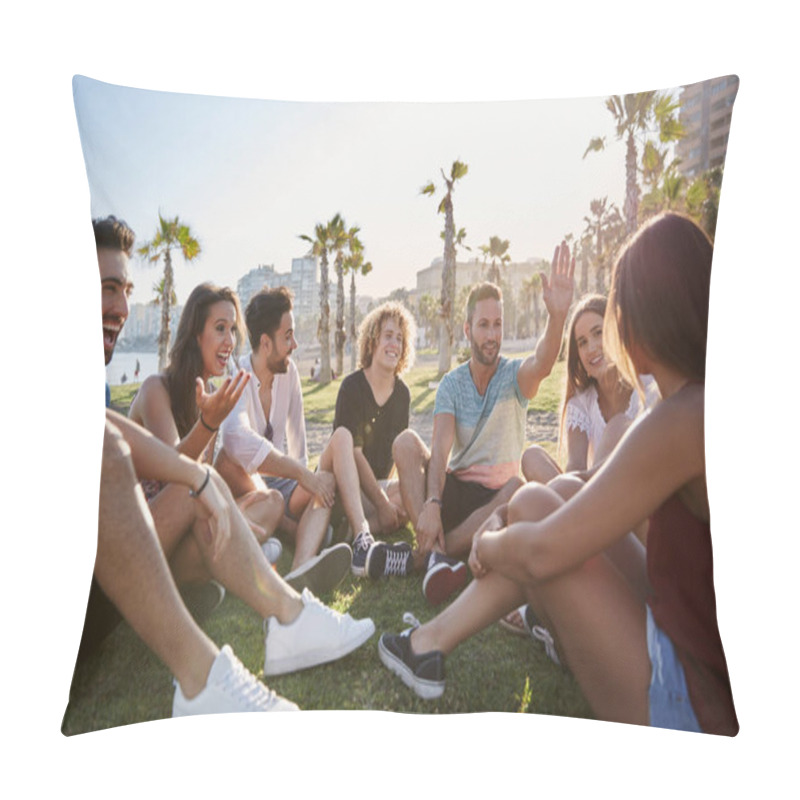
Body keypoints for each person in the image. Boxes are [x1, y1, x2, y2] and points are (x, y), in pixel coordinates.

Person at [378, 212, 739, 736]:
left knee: (531, 532)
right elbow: (580, 485)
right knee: (547, 496)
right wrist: (504, 513)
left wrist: (490, 544)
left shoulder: (681, 421)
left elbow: (544, 550)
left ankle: (427, 641)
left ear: (638, 322)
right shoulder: (697, 404)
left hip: (687, 701)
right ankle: (429, 641)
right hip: (693, 645)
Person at [77, 217, 375, 696]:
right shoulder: (155, 389)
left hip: (160, 546)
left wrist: (227, 468)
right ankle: (286, 609)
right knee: (202, 491)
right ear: (194, 333)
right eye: (220, 329)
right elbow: (173, 463)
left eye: (125, 290)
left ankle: (268, 591)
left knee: (235, 502)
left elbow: (220, 462)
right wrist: (209, 430)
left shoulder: (183, 392)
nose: (122, 306)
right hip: (133, 548)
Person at [392, 245, 575, 605]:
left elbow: (543, 361)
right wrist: (432, 502)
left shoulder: (515, 376)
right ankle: (438, 553)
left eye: (497, 325)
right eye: (483, 325)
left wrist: (557, 317)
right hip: (456, 492)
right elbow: (441, 450)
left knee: (516, 487)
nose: (492, 335)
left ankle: (434, 555)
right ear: (467, 329)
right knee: (404, 443)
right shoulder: (452, 384)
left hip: (495, 502)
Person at [216, 287, 414, 582]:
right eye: (288, 336)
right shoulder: (236, 376)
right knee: (229, 459)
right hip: (247, 484)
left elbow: (299, 446)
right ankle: (297, 531)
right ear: (266, 343)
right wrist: (302, 475)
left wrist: (309, 482)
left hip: (286, 486)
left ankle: (303, 568)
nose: (295, 344)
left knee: (332, 473)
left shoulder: (290, 373)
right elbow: (235, 440)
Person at [503, 294, 657, 635]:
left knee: (614, 436)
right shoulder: (582, 403)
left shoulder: (647, 388)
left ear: (617, 333)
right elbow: (573, 469)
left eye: (599, 333)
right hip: (587, 499)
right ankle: (560, 548)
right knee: (531, 458)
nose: (591, 348)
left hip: (636, 514)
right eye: (582, 342)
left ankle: (548, 572)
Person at [332, 301, 413, 537]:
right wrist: (383, 505)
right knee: (397, 505)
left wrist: (389, 498)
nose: (394, 344)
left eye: (399, 338)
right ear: (372, 341)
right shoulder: (352, 387)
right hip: (347, 488)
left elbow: (398, 456)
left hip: (377, 488)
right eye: (388, 335)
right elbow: (354, 454)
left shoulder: (402, 394)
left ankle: (350, 534)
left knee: (419, 490)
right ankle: (364, 523)